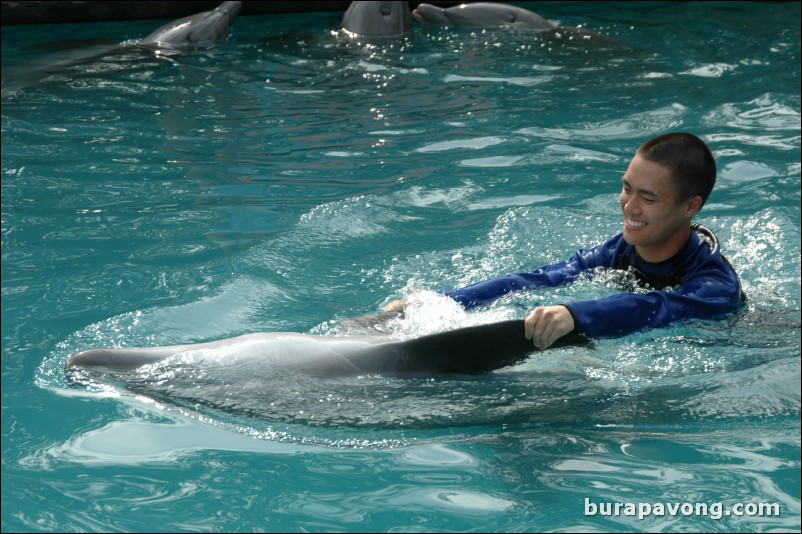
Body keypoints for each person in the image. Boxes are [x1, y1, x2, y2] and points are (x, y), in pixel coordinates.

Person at [384, 132, 745, 349]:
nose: (629, 206)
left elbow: (657, 309)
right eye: (626, 188)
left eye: (648, 198)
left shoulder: (715, 285)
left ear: (690, 206)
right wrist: (437, 302)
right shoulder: (618, 251)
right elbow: (538, 280)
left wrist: (574, 314)